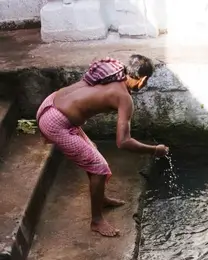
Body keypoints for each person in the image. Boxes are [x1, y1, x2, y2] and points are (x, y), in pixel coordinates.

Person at [36, 55, 169, 238]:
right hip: (56, 123)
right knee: (99, 168)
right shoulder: (123, 97)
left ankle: (102, 199)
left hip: (50, 103)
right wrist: (154, 150)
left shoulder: (113, 72)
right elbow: (123, 142)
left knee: (94, 154)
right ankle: (97, 221)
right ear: (143, 79)